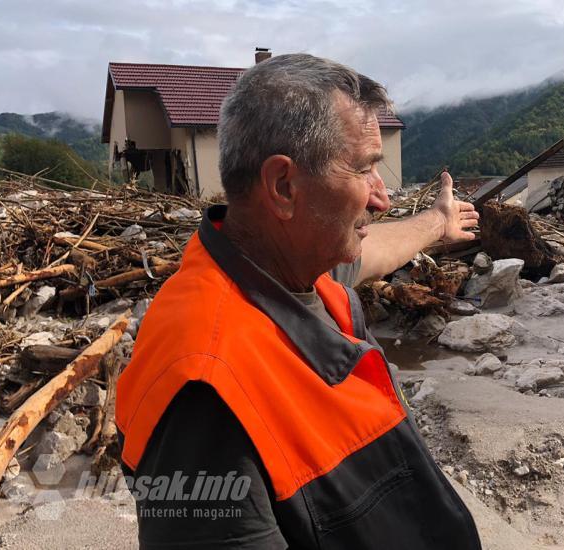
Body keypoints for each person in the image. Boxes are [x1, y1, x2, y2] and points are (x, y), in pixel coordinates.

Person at [115, 53, 482, 549]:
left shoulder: (286, 266)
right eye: (365, 169)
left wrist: (437, 223)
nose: (383, 198)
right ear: (284, 186)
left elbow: (370, 252)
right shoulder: (206, 387)